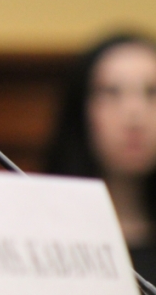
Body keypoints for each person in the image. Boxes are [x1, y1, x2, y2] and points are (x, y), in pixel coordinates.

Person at [45, 32, 156, 281]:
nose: (134, 115)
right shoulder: (40, 237)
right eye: (111, 92)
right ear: (81, 111)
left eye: (152, 92)